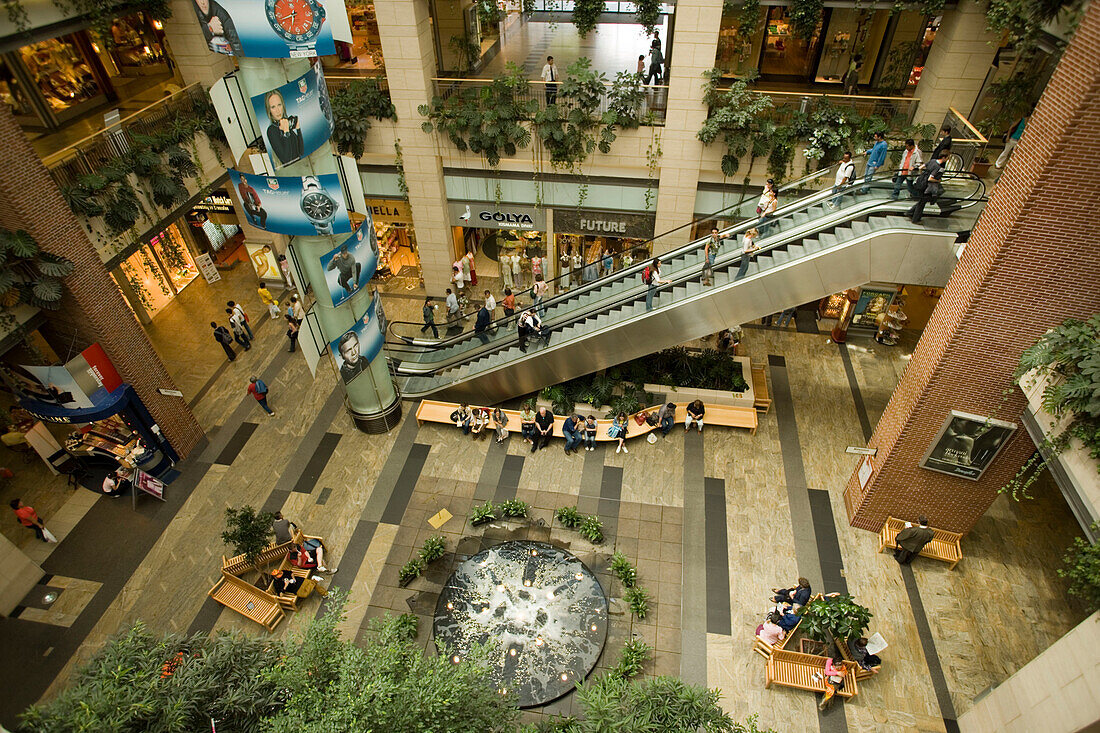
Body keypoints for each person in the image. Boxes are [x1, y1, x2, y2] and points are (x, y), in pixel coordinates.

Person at [907, 149, 949, 224]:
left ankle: (910, 212)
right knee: (922, 203)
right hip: (926, 186)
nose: (947, 159)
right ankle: (915, 219)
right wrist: (938, 181)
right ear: (944, 157)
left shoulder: (932, 161)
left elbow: (921, 167)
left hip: (920, 182)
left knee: (921, 201)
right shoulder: (938, 167)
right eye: (947, 158)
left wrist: (922, 176)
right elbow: (930, 178)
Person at [264, 89, 304, 166]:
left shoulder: (285, 122)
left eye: (279, 105)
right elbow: (286, 159)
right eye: (273, 107)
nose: (278, 110)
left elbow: (301, 152)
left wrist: (298, 129)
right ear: (269, 110)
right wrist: (286, 132)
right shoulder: (271, 130)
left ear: (283, 105)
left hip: (301, 165)